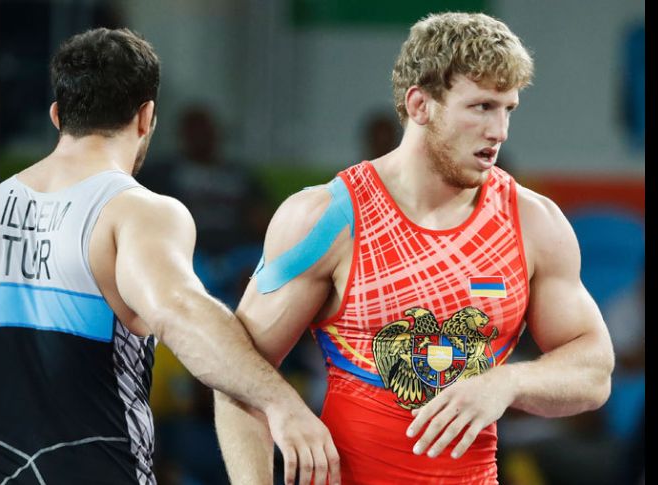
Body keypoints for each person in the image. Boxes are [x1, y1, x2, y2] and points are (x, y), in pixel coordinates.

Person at [213, 12, 614, 484]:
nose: (500, 131)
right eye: (482, 107)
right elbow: (237, 377)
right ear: (420, 105)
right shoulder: (326, 218)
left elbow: (594, 371)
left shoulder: (534, 223)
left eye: (508, 109)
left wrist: (509, 381)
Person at [0, 28, 339, 485]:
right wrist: (282, 403)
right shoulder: (135, 212)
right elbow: (179, 313)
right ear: (146, 117)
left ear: (57, 115)